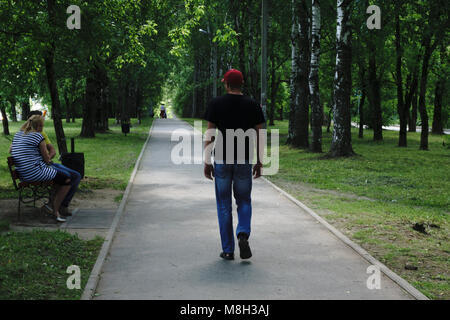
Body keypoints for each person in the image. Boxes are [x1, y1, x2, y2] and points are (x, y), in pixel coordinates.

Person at [203, 69, 265, 260]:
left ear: (227, 84)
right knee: (244, 200)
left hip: (222, 159)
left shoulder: (216, 104)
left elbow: (210, 134)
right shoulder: (253, 105)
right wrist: (260, 161)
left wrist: (206, 161)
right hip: (244, 161)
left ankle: (228, 250)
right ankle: (243, 234)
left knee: (223, 204)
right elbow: (260, 135)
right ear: (242, 84)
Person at [9, 115, 71, 222]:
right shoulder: (38, 136)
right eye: (42, 126)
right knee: (67, 179)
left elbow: (11, 150)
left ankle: (51, 205)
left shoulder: (18, 134)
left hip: (23, 174)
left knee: (58, 179)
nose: (42, 128)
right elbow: (47, 160)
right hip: (35, 172)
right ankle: (55, 211)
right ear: (38, 126)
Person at [27, 110, 81, 216]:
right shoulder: (28, 135)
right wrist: (44, 159)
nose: (41, 125)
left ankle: (62, 205)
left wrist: (48, 157)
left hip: (47, 163)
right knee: (67, 177)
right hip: (41, 167)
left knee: (77, 176)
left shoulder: (41, 134)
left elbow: (53, 151)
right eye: (39, 123)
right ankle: (56, 207)